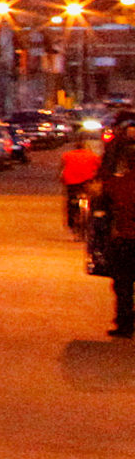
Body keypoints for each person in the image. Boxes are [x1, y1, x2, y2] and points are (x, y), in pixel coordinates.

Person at [95, 125, 135, 341]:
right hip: (125, 238)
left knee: (123, 284)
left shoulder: (119, 184)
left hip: (125, 241)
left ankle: (125, 323)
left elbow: (102, 200)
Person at [63, 132, 103, 232]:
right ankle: (90, 217)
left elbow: (62, 169)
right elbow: (100, 169)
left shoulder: (67, 155)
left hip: (71, 183)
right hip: (87, 182)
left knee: (71, 202)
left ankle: (71, 222)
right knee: (93, 199)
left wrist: (63, 179)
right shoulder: (93, 156)